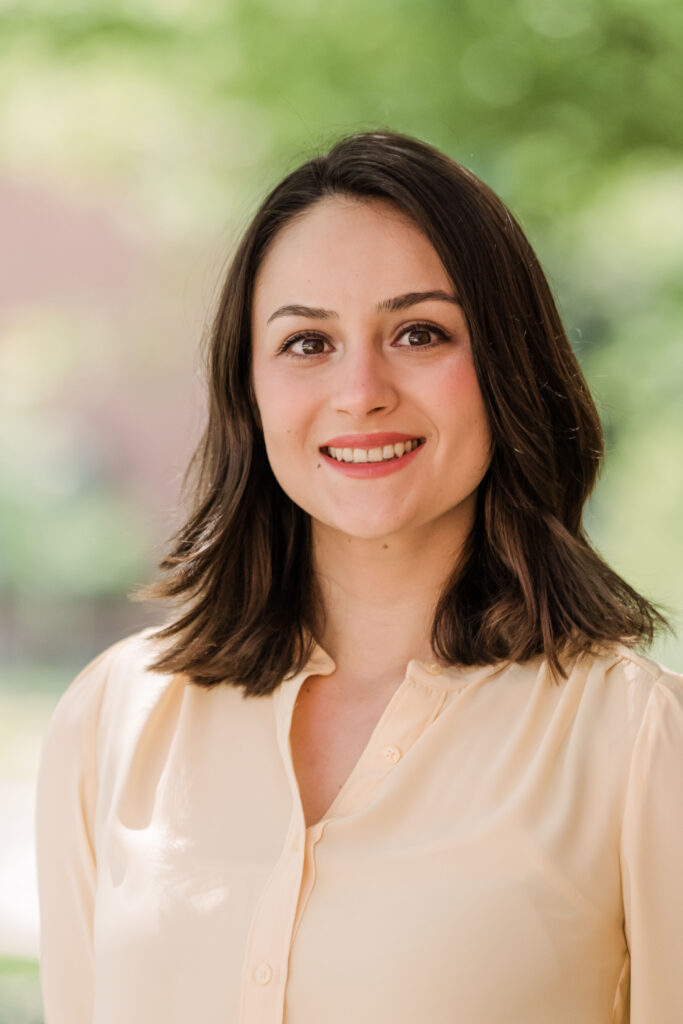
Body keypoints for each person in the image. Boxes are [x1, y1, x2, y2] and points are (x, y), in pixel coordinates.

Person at [35, 129, 683, 1024]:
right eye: (306, 343)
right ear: (248, 389)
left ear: (505, 365)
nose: (360, 390)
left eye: (418, 333)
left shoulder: (636, 741)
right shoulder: (115, 719)